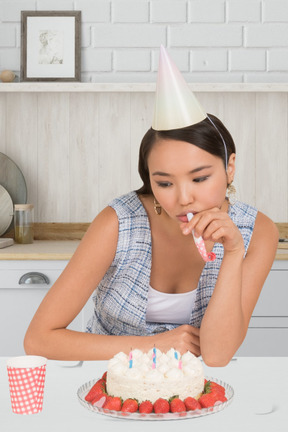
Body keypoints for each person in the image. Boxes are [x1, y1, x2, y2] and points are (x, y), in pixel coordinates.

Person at [24, 47, 278, 366]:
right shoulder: (118, 222)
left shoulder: (257, 233)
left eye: (199, 178)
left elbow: (216, 355)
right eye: (165, 183)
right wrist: (153, 345)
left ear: (230, 168)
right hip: (109, 381)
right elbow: (39, 338)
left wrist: (232, 253)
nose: (183, 198)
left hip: (199, 387)